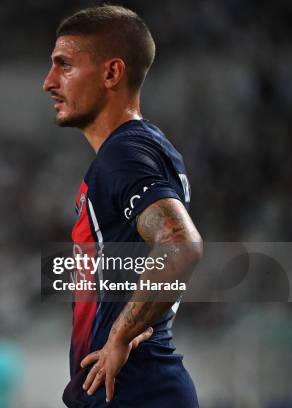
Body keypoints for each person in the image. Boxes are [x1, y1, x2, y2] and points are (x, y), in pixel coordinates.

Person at [42, 5, 203, 408]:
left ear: (112, 73)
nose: (48, 82)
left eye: (65, 65)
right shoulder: (144, 148)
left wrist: (120, 336)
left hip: (134, 391)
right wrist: (143, 319)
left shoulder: (125, 153)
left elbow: (180, 245)